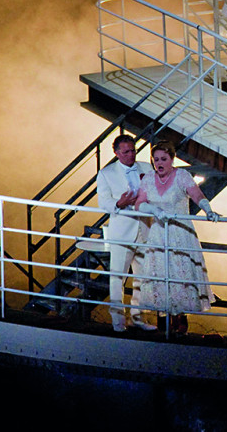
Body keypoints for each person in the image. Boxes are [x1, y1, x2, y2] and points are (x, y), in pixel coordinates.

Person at [132, 140, 220, 335]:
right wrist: (153, 209)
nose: (159, 163)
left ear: (172, 159)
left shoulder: (181, 176)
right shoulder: (148, 178)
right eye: (156, 160)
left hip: (180, 233)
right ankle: (163, 321)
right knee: (160, 274)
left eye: (164, 159)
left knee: (180, 275)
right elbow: (139, 203)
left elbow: (197, 194)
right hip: (158, 234)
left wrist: (208, 209)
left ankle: (181, 320)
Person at [95, 134, 157, 332]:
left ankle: (138, 318)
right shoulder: (106, 173)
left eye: (133, 151)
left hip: (145, 229)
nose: (131, 155)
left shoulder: (147, 168)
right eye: (126, 152)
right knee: (117, 278)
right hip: (122, 231)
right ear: (116, 153)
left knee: (143, 277)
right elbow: (103, 201)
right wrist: (118, 203)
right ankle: (118, 322)